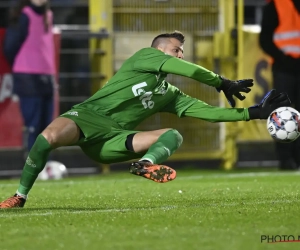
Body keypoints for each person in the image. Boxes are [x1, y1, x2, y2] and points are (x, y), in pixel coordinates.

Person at [0, 31, 290, 208]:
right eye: (176, 49)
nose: (180, 55)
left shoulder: (170, 94)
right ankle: (20, 196)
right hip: (87, 118)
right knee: (47, 138)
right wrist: (221, 81)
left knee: (173, 135)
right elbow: (187, 69)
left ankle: (145, 164)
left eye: (182, 52)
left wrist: (253, 113)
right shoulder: (144, 56)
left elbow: (210, 114)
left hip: (113, 141)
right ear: (160, 49)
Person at [3, 0, 55, 154]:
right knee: (33, 125)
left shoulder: (49, 15)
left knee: (47, 127)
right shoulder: (24, 15)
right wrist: (22, 64)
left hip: (47, 75)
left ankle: (45, 165)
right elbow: (10, 47)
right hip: (27, 77)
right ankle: (32, 165)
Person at [259, 0, 300, 170]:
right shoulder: (276, 6)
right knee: (284, 114)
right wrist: (284, 59)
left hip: (287, 66)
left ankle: (295, 158)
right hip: (285, 69)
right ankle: (285, 158)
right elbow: (265, 40)